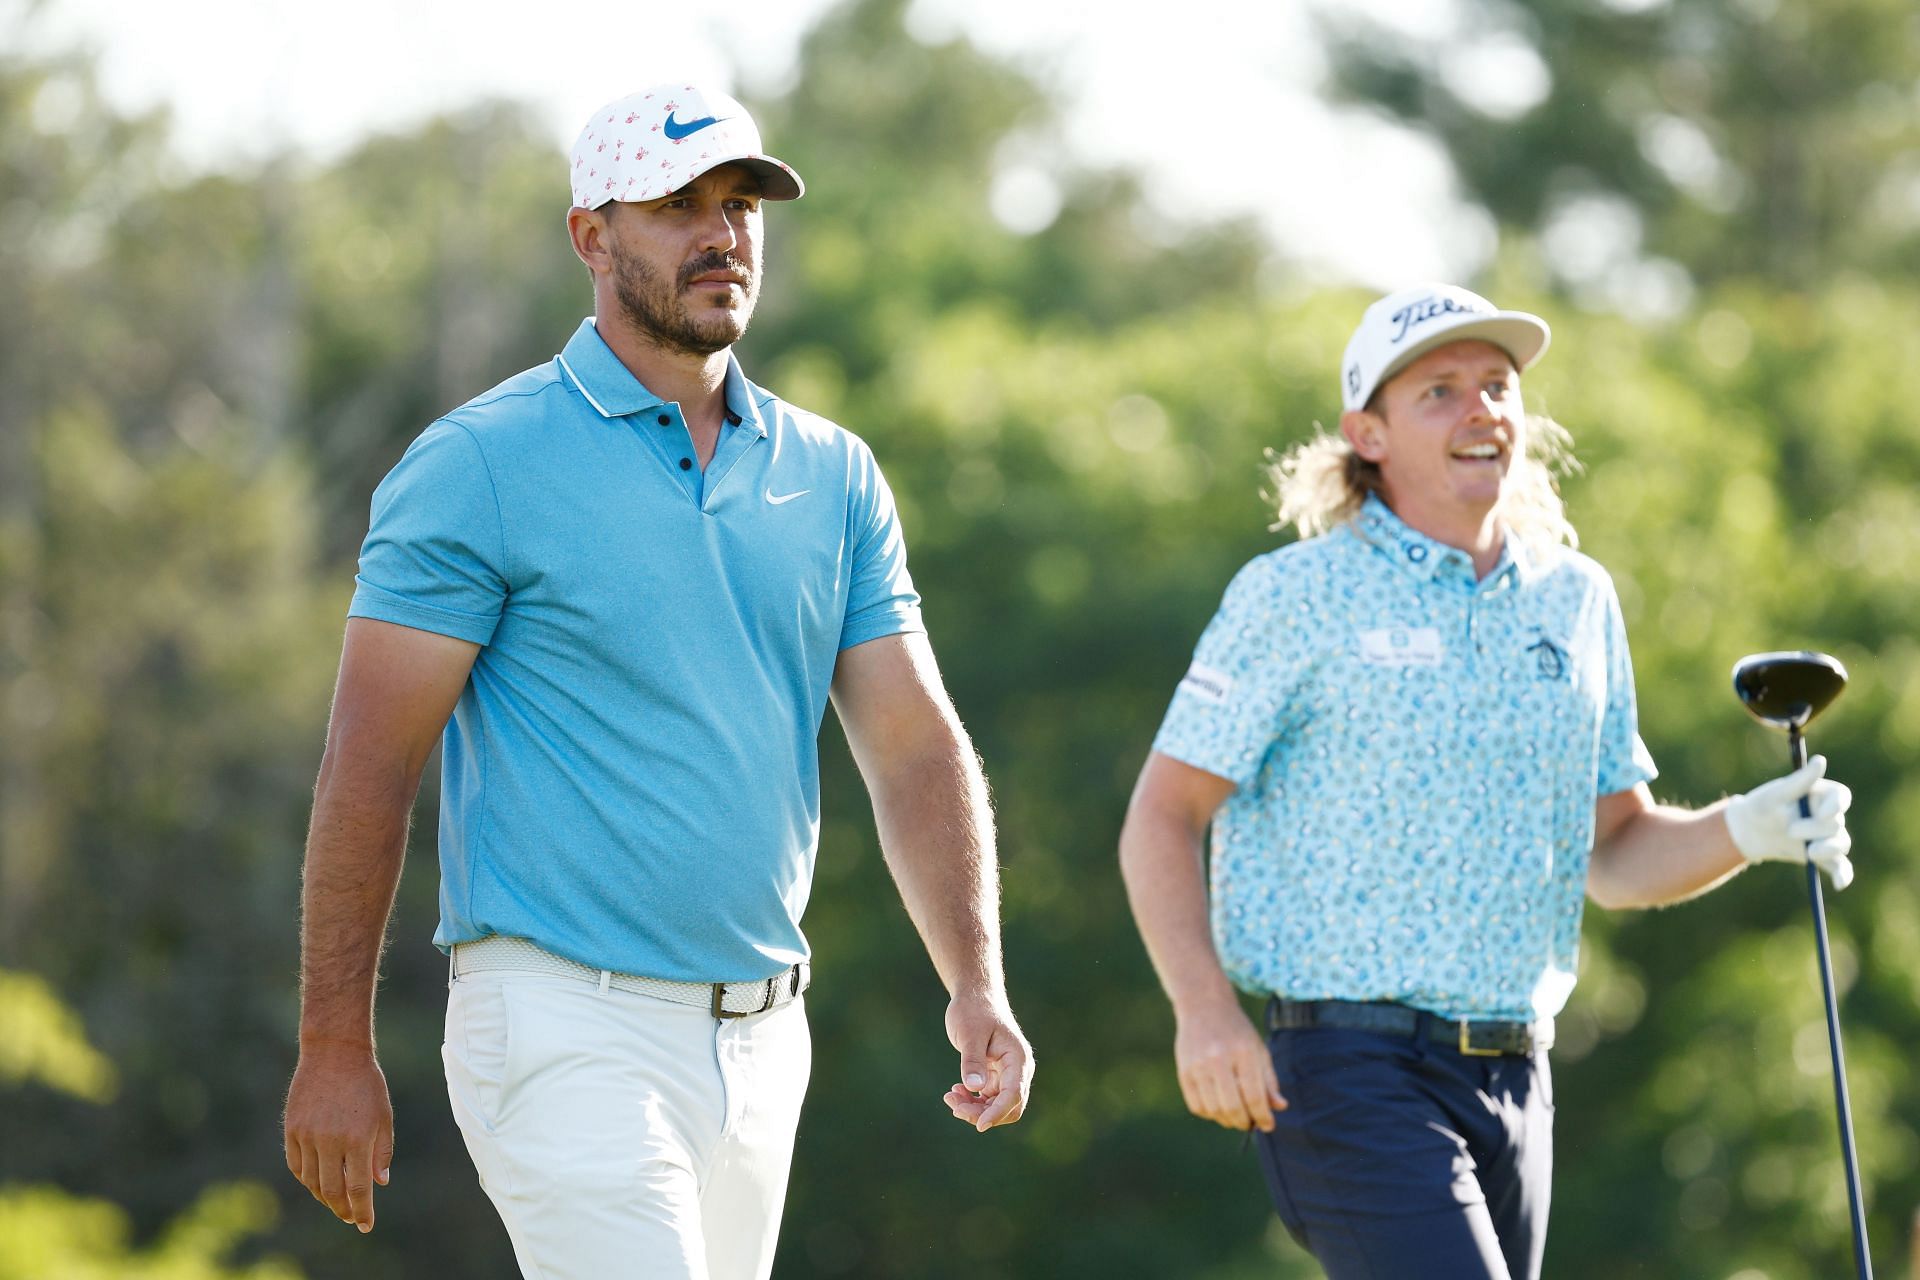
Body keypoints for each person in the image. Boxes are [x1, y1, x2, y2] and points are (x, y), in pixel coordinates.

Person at [282, 83, 1033, 1280]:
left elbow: (910, 743)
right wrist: (333, 1043)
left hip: (764, 1036)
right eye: (677, 205)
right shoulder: (480, 461)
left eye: (738, 205)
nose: (720, 233)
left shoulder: (832, 474)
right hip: (559, 1020)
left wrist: (975, 980)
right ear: (592, 236)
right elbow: (370, 765)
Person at [1117, 283, 1852, 1280]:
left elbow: (1617, 852)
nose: (1483, 410)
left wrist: (1750, 826)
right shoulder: (1295, 594)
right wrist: (1204, 1008)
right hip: (1348, 1066)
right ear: (1367, 432)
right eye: (1441, 391)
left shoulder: (1575, 598)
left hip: (1519, 1072)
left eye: (1499, 386)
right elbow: (1164, 814)